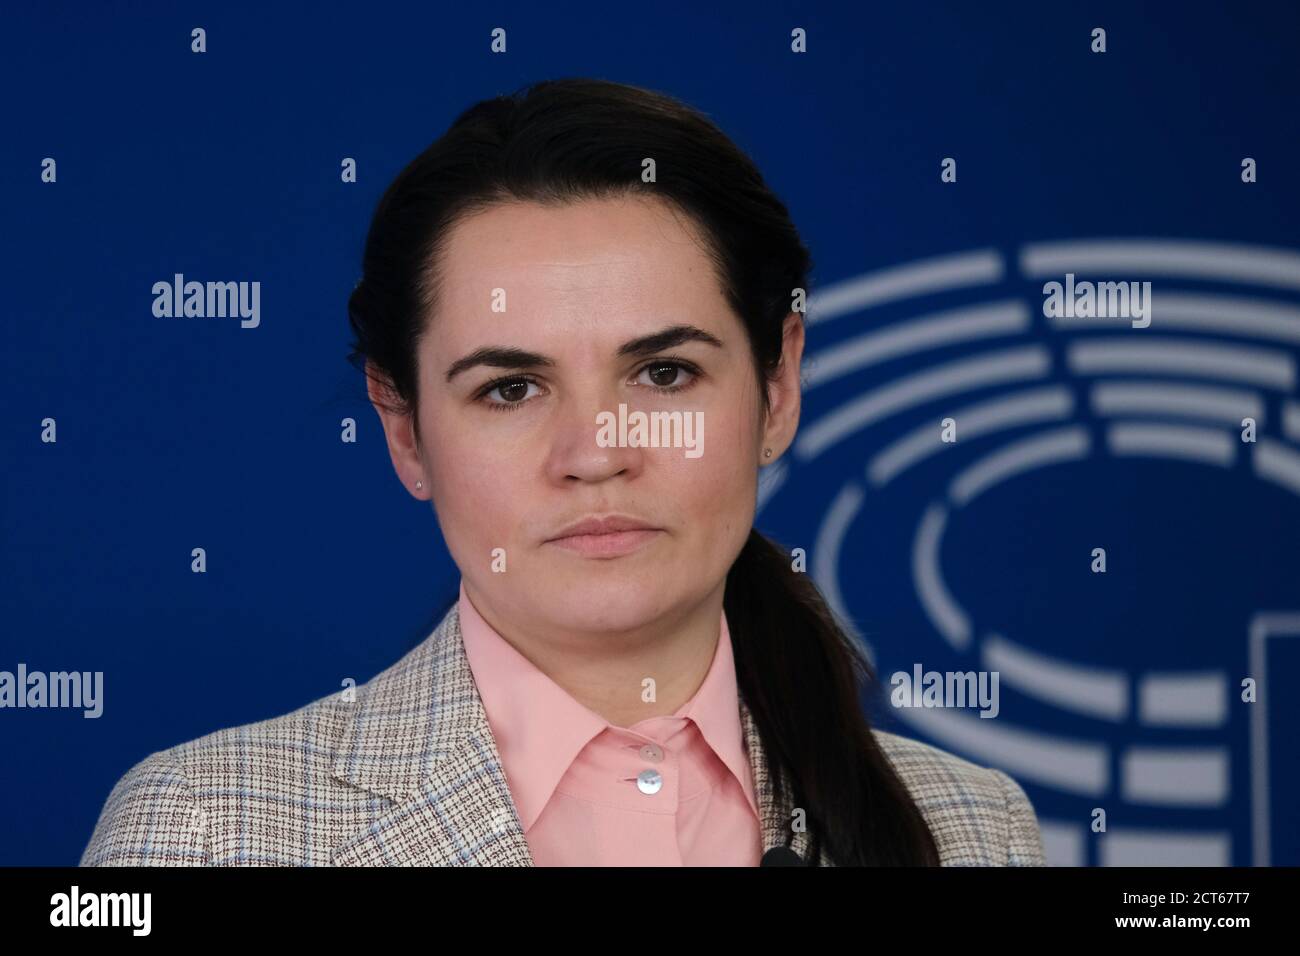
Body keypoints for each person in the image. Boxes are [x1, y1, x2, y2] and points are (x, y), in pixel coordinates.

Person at [80, 77, 1046, 867]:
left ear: (778, 385)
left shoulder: (975, 828)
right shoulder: (207, 833)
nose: (596, 452)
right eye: (509, 389)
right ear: (405, 429)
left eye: (664, 373)